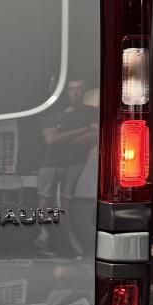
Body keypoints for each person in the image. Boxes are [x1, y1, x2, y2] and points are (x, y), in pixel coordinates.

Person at [36, 79, 97, 251]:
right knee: (44, 201)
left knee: (67, 203)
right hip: (51, 163)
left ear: (84, 90)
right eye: (71, 89)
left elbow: (93, 138)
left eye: (78, 88)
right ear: (66, 92)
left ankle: (71, 237)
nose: (75, 92)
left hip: (75, 163)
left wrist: (62, 138)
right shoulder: (52, 115)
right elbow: (51, 140)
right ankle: (44, 233)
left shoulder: (92, 112)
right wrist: (81, 130)